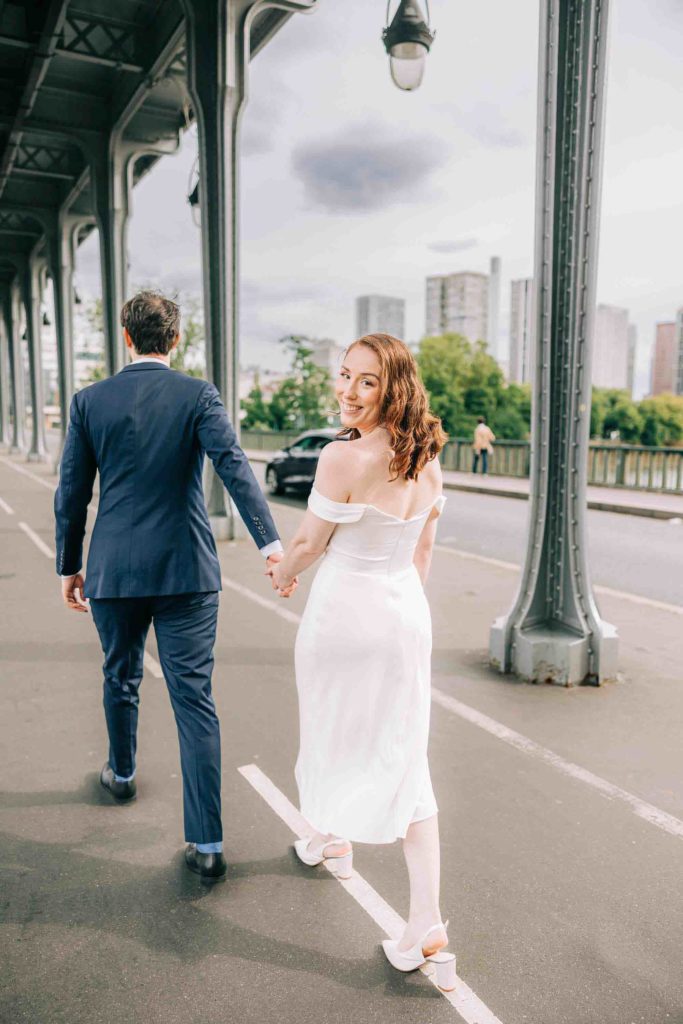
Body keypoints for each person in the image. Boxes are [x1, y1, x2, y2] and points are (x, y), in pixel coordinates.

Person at [54, 291, 289, 882]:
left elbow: (72, 492)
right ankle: (207, 843)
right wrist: (270, 544)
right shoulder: (197, 395)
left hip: (114, 570)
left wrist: (68, 564)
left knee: (120, 674)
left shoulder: (89, 402)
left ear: (126, 338)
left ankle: (123, 774)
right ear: (175, 340)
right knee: (194, 701)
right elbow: (233, 464)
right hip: (187, 571)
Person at [269, 333, 457, 991]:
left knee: (329, 726)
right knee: (406, 757)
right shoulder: (428, 460)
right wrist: (399, 617)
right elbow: (423, 556)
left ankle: (330, 838)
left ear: (393, 388)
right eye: (344, 376)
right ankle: (425, 919)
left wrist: (282, 574)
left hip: (344, 616)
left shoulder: (340, 457)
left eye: (366, 381)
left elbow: (306, 542)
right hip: (404, 617)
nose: (347, 390)